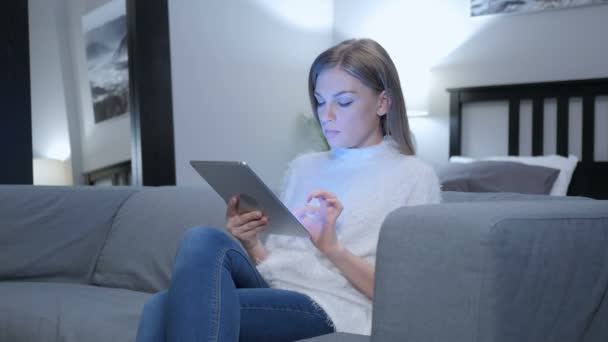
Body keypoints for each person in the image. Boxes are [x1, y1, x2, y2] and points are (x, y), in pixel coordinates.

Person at [135, 38, 441, 342]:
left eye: (343, 101)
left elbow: (405, 296)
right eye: (320, 101)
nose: (327, 114)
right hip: (274, 289)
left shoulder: (414, 177)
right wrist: (252, 242)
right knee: (202, 238)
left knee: (161, 307)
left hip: (331, 305)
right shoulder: (303, 167)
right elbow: (278, 263)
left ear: (383, 102)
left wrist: (332, 248)